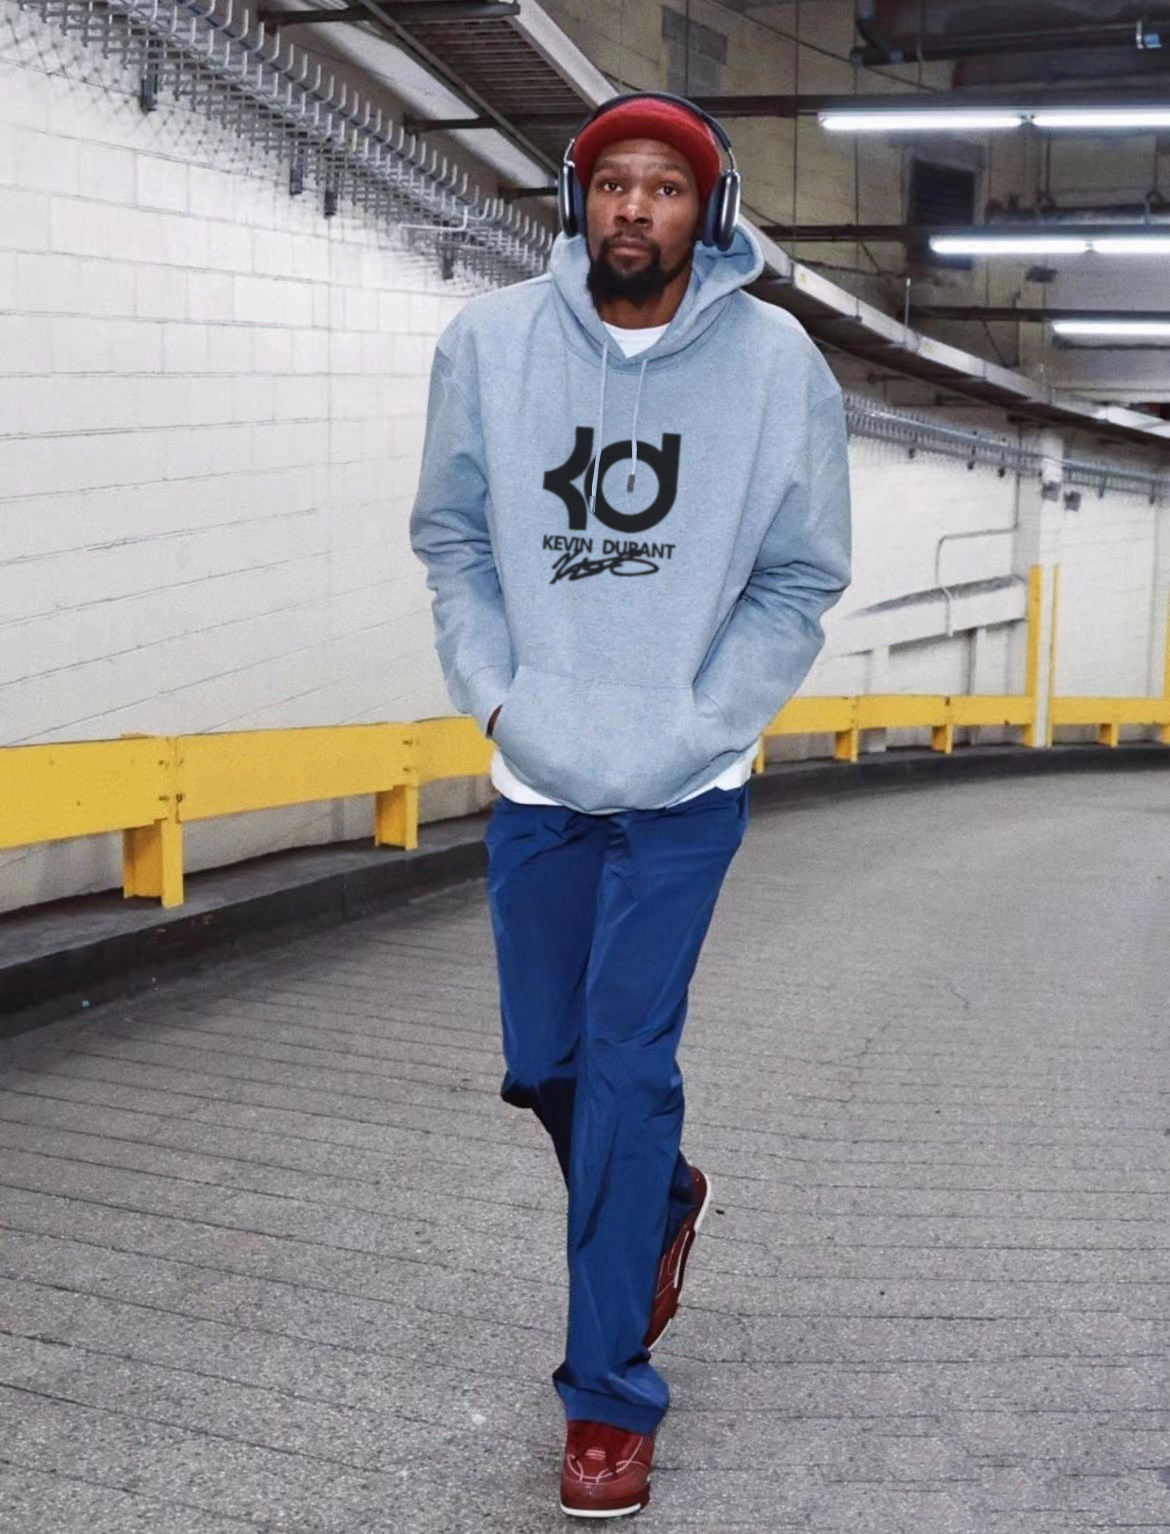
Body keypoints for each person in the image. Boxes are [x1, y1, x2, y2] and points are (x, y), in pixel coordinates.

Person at [409, 91, 852, 1520]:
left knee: (621, 1068)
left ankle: (607, 1398)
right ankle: (658, 1199)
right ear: (576, 199)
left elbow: (800, 572)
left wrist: (706, 724)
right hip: (538, 775)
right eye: (614, 183)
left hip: (682, 794)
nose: (635, 208)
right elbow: (454, 537)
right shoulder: (488, 345)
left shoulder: (777, 364)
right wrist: (501, 700)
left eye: (666, 185)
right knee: (544, 1061)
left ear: (706, 210)